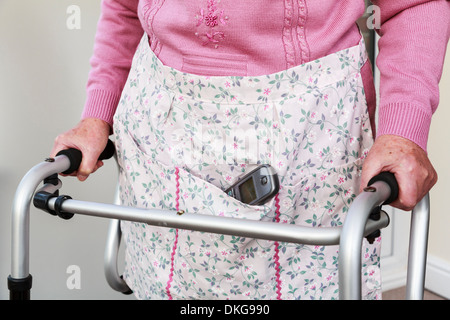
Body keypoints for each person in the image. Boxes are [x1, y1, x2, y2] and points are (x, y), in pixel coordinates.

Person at [50, 1, 449, 299]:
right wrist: (96, 116)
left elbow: (412, 5)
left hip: (307, 143)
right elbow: (124, 8)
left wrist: (403, 132)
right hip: (163, 142)